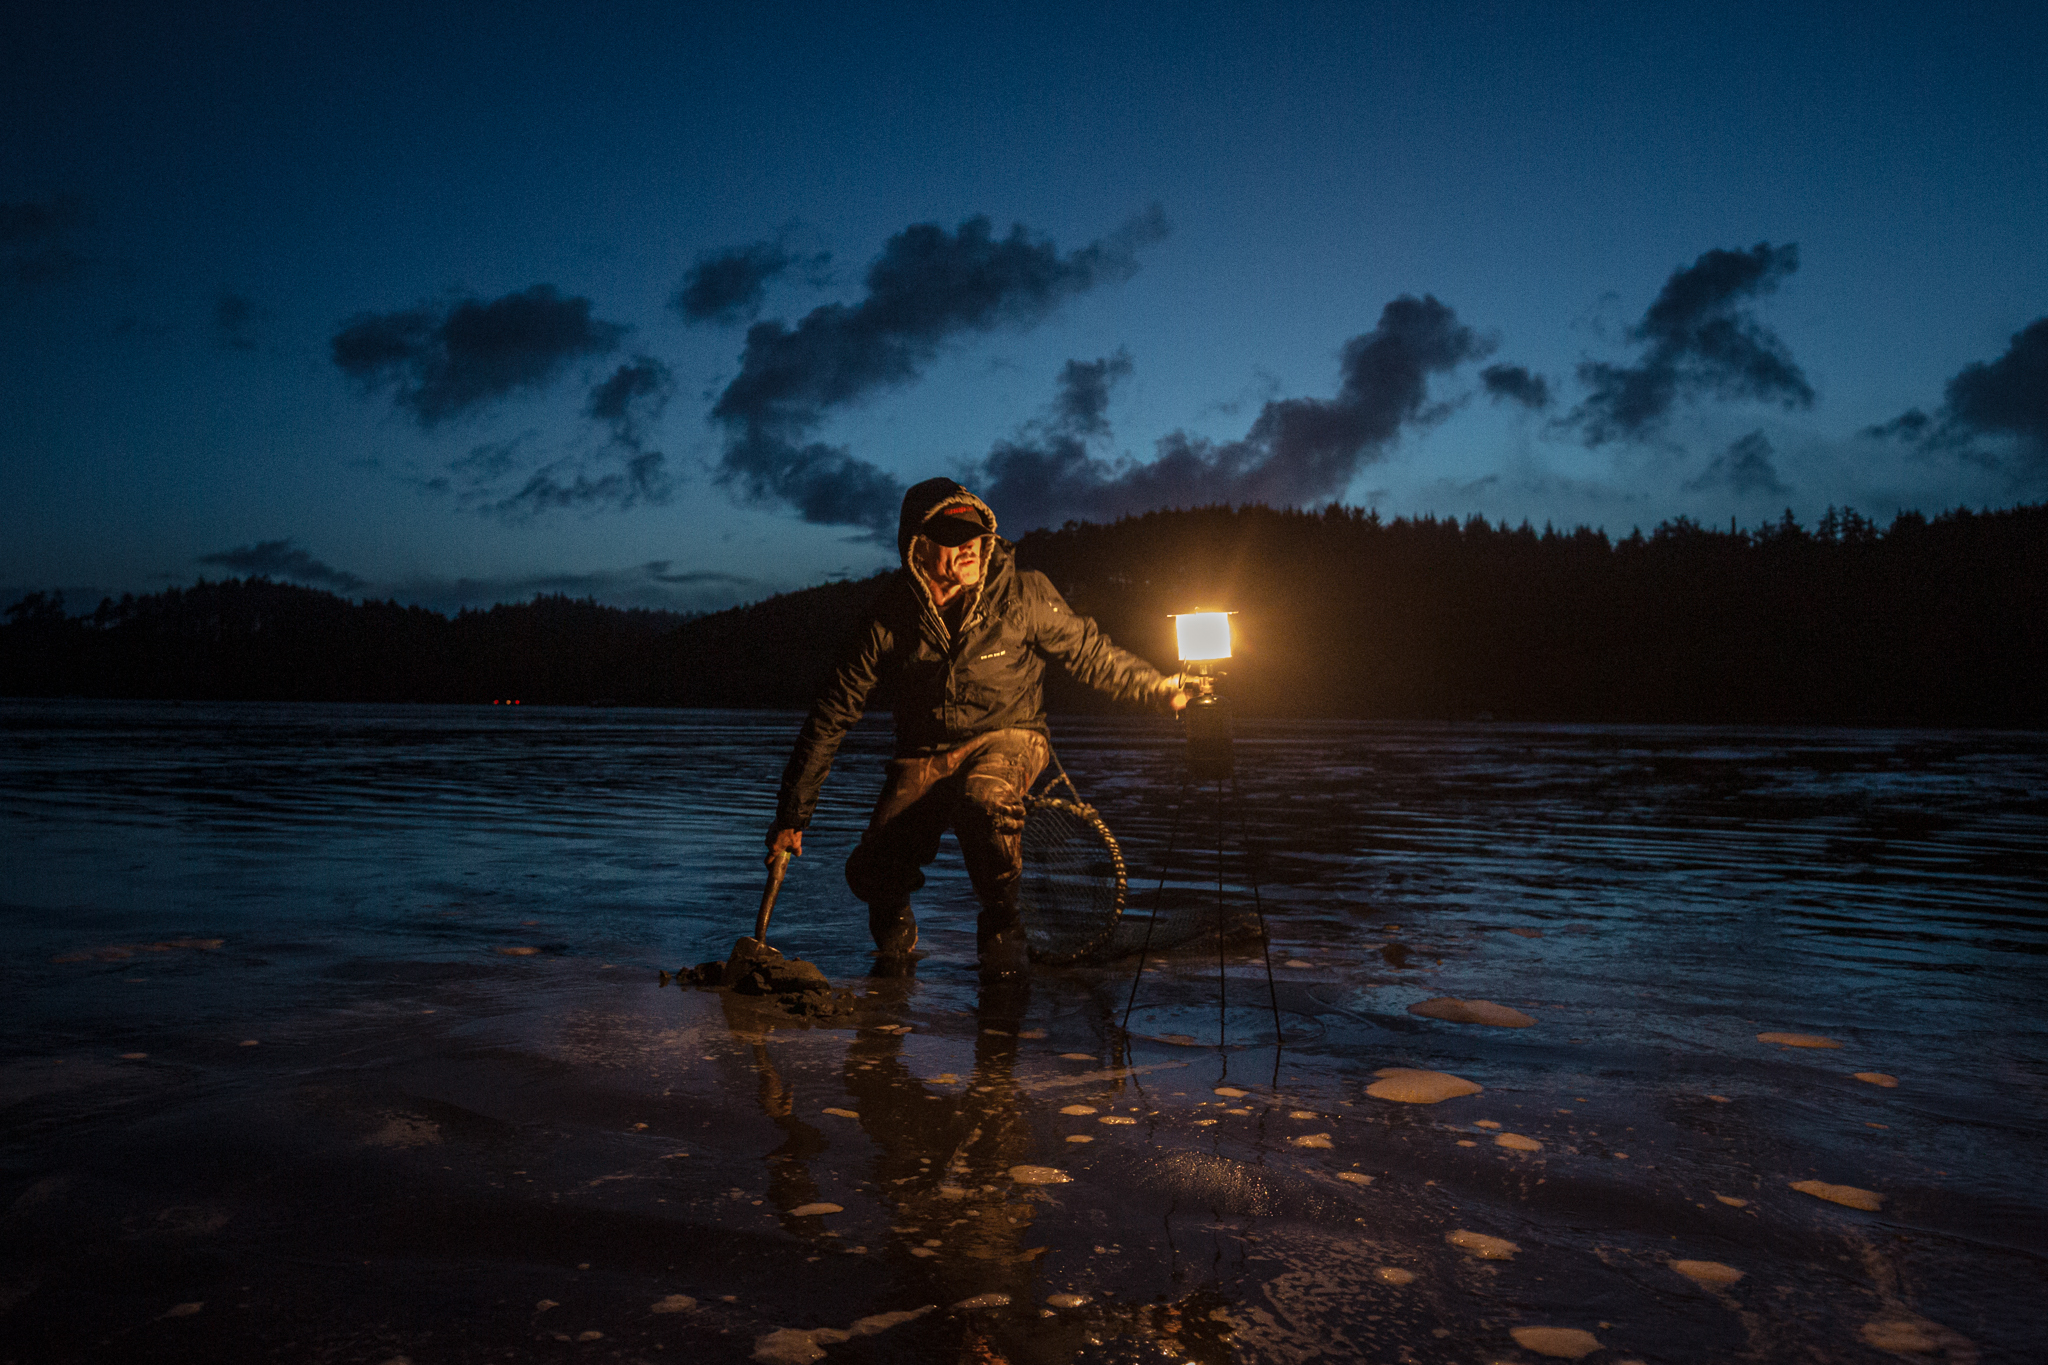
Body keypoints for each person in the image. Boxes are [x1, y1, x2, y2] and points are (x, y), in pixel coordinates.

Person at [767, 477, 1187, 976]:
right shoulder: (887, 616)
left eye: (974, 535)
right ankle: (893, 950)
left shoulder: (1024, 594)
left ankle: (1004, 924)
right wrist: (793, 815)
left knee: (984, 801)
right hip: (924, 751)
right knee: (873, 870)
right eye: (951, 538)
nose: (967, 547)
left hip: (1009, 736)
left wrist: (1159, 689)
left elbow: (1090, 653)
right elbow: (833, 712)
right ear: (916, 547)